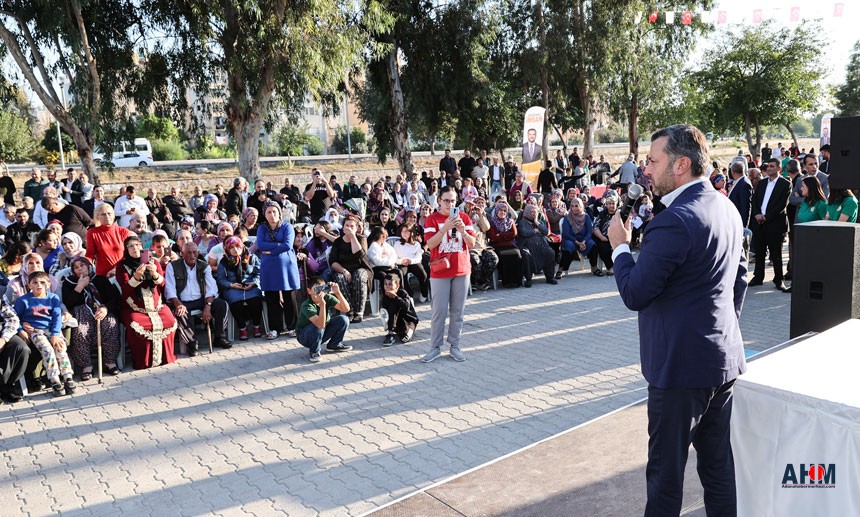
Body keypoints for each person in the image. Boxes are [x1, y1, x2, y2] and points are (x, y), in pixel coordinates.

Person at [607, 124, 747, 517]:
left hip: (679, 374)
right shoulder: (727, 208)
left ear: (681, 164)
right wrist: (719, 330)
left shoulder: (674, 220)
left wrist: (620, 248)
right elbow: (740, 277)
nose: (645, 170)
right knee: (718, 470)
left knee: (665, 481)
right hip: (720, 364)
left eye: (653, 161)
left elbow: (635, 292)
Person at [421, 186, 475, 363]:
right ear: (439, 201)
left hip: (461, 269)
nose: (450, 204)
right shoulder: (432, 219)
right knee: (439, 311)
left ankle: (455, 346)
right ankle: (435, 347)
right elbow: (430, 243)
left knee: (458, 312)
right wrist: (445, 228)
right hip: (440, 271)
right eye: (446, 200)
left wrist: (462, 231)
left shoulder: (464, 217)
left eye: (453, 201)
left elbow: (472, 243)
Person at [116, 235, 177, 369]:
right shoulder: (122, 266)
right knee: (136, 325)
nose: (135, 248)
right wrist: (136, 276)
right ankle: (143, 361)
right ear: (126, 249)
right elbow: (125, 289)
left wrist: (154, 274)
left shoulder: (153, 261)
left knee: (170, 321)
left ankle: (166, 357)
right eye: (130, 246)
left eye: (137, 245)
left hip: (157, 307)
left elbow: (163, 284)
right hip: (134, 308)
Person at [14, 271, 76, 397]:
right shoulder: (23, 300)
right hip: (36, 330)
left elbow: (57, 317)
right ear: (29, 285)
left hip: (52, 329)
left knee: (60, 348)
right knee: (47, 350)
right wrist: (21, 330)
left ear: (48, 284)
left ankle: (67, 377)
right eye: (35, 283)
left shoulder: (53, 298)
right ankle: (55, 380)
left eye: (43, 282)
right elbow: (15, 318)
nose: (39, 285)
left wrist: (55, 334)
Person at [165, 242, 233, 354]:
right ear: (182, 253)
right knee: (180, 312)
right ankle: (191, 343)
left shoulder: (204, 266)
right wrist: (178, 304)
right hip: (183, 301)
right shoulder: (172, 266)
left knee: (222, 304)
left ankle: (219, 337)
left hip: (202, 300)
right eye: (188, 253)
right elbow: (170, 289)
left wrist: (208, 305)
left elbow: (212, 288)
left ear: (198, 253)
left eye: (194, 252)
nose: (192, 256)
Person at [62, 257, 121, 379]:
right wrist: (80, 286)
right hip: (81, 312)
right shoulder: (68, 283)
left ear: (88, 266)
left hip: (101, 310)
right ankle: (86, 366)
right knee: (80, 331)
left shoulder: (100, 279)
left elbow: (114, 298)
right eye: (76, 267)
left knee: (110, 324)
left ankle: (110, 362)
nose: (79, 270)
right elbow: (68, 302)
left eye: (82, 266)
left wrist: (105, 308)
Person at [257, 201, 301, 339]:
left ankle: (293, 326)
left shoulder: (287, 226)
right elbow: (261, 245)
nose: (272, 215)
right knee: (272, 297)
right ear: (265, 214)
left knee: (289, 297)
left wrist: (272, 250)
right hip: (269, 268)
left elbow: (288, 245)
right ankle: (275, 328)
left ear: (279, 212)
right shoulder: (262, 228)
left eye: (274, 211)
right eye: (269, 212)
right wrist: (277, 245)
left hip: (286, 267)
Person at [750, 158, 791, 292]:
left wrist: (766, 217)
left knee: (776, 254)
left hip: (775, 224)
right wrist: (757, 214)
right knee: (760, 252)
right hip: (759, 223)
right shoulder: (761, 183)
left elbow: (781, 205)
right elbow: (755, 200)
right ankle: (758, 277)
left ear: (779, 168)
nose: (769, 169)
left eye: (772, 166)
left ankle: (778, 279)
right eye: (768, 166)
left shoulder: (785, 184)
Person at [295, 276, 352, 363]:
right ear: (309, 291)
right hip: (305, 336)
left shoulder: (327, 297)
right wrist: (322, 305)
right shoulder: (307, 305)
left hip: (321, 330)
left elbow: (346, 309)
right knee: (318, 327)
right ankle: (314, 351)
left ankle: (334, 344)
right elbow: (320, 325)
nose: (319, 292)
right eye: (316, 289)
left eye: (322, 289)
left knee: (343, 319)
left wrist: (338, 292)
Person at [329, 215, 371, 323]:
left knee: (359, 275)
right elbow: (333, 262)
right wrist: (344, 270)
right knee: (340, 278)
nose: (349, 228)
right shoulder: (338, 242)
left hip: (360, 268)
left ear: (356, 228)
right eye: (347, 225)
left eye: (352, 226)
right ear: (343, 228)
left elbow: (359, 255)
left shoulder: (361, 239)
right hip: (343, 270)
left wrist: (353, 237)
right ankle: (349, 310)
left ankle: (359, 312)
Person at [86, 203, 132, 277]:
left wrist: (116, 269)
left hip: (123, 273)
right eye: (103, 214)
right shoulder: (92, 232)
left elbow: (129, 254)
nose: (107, 216)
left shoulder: (124, 231)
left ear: (114, 215)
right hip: (103, 275)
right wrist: (84, 264)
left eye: (109, 213)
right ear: (97, 217)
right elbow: (90, 253)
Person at [517, 204, 557, 287]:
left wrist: (536, 222)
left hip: (541, 246)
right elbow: (524, 232)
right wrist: (535, 231)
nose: (534, 214)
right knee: (526, 255)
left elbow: (546, 232)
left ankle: (550, 277)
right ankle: (528, 279)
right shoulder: (522, 222)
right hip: (528, 247)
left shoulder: (539, 222)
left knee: (550, 252)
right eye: (532, 212)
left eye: (535, 212)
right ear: (527, 212)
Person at [0, 298, 29, 403]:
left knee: (22, 348)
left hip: (3, 333)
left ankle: (8, 387)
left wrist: (4, 339)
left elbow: (12, 318)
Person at [487, 201, 522, 288]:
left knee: (517, 255)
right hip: (498, 247)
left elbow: (514, 233)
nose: (503, 212)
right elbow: (493, 237)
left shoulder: (510, 221)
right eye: (500, 210)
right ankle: (507, 282)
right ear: (496, 211)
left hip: (511, 245)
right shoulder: (492, 223)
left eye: (504, 210)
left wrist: (500, 235)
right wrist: (506, 236)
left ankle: (517, 281)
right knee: (504, 256)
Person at [558, 197, 594, 278]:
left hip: (583, 239)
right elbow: (566, 234)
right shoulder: (567, 218)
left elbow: (589, 232)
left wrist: (584, 242)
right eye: (572, 206)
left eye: (576, 206)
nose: (574, 208)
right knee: (569, 246)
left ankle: (594, 267)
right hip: (571, 239)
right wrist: (577, 242)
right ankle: (561, 269)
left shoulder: (586, 217)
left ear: (581, 206)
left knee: (592, 244)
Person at [379, 272, 419, 346]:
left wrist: (396, 297)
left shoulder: (403, 293)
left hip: (408, 320)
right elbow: (385, 313)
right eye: (386, 284)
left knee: (405, 338)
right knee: (392, 306)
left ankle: (407, 330)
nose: (388, 287)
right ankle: (391, 332)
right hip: (396, 321)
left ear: (397, 285)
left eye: (390, 284)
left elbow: (406, 307)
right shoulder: (385, 297)